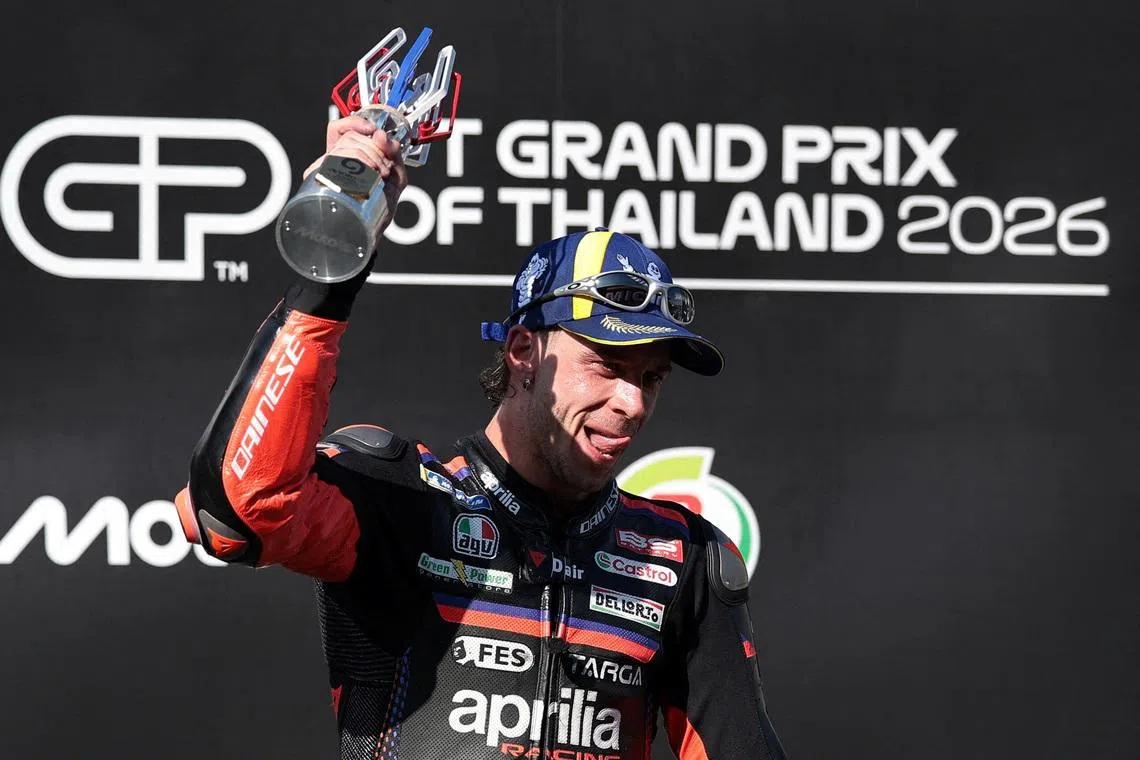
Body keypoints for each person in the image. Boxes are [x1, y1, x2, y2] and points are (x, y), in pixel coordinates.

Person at [174, 115, 787, 760]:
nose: (632, 404)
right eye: (607, 367)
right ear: (524, 352)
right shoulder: (404, 502)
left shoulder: (681, 555)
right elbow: (234, 510)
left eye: (652, 378)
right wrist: (333, 264)